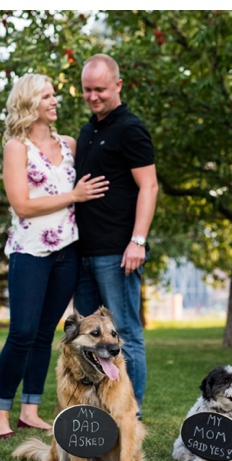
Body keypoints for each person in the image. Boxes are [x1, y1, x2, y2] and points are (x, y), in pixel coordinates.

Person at [0, 73, 109, 439]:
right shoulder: (17, 147)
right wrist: (73, 196)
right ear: (30, 103)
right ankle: (1, 414)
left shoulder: (70, 144)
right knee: (22, 333)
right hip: (30, 251)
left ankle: (31, 410)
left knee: (45, 334)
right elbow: (22, 205)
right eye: (47, 95)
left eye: (54, 94)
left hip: (67, 252)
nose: (55, 100)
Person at [73, 54, 158, 419]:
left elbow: (149, 186)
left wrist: (137, 241)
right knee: (88, 340)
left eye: (101, 90)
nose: (93, 96)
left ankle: (129, 418)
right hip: (84, 254)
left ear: (118, 86)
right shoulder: (88, 130)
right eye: (87, 90)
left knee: (126, 339)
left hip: (118, 254)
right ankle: (95, 417)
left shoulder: (131, 129)